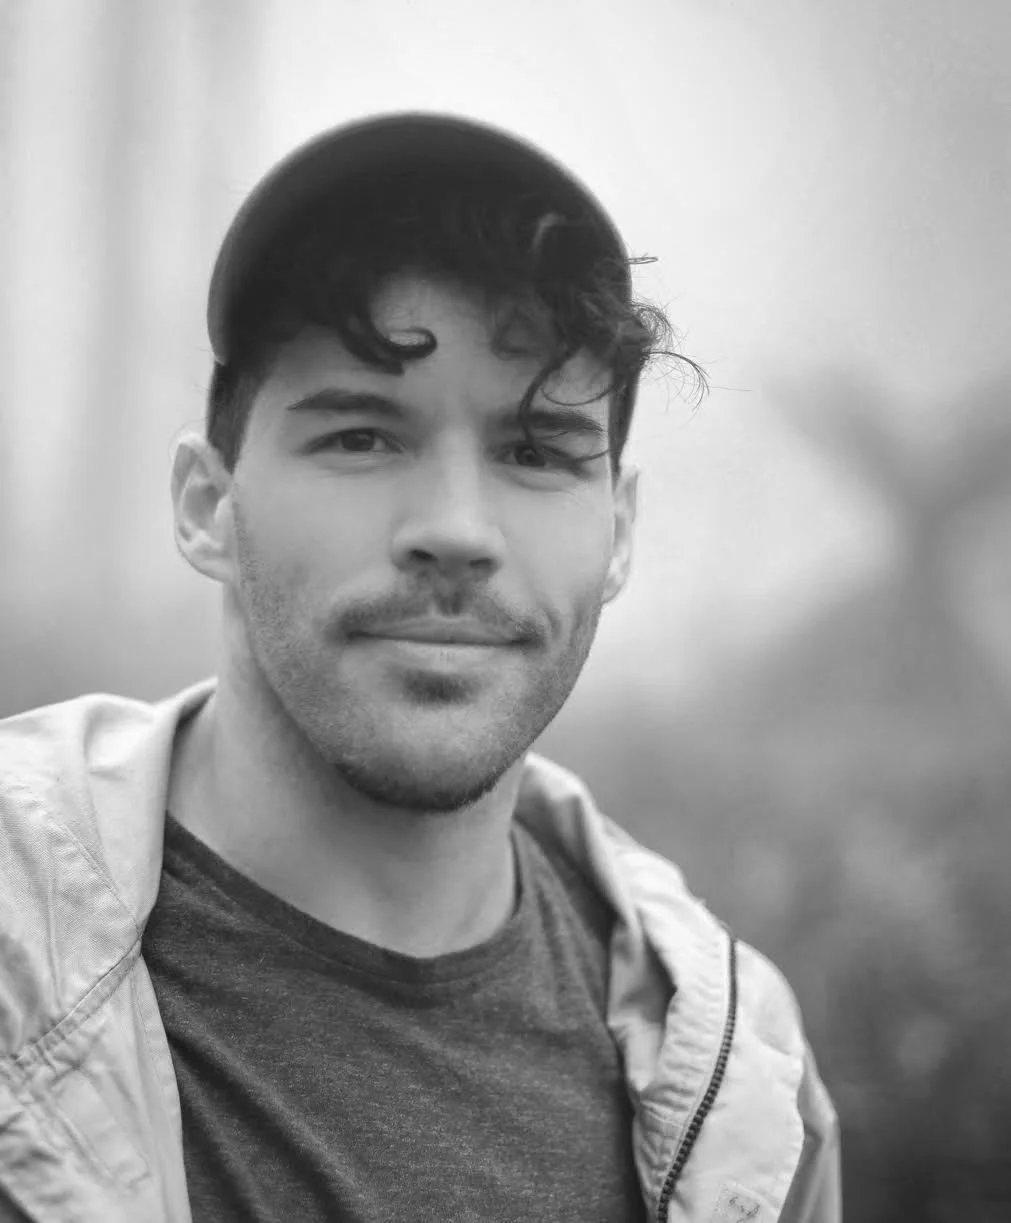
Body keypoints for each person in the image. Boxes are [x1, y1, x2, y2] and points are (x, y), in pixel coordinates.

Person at [0, 113, 839, 1223]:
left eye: (534, 451)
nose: (455, 529)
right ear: (208, 506)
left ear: (620, 532)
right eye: (361, 435)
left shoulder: (749, 1087)